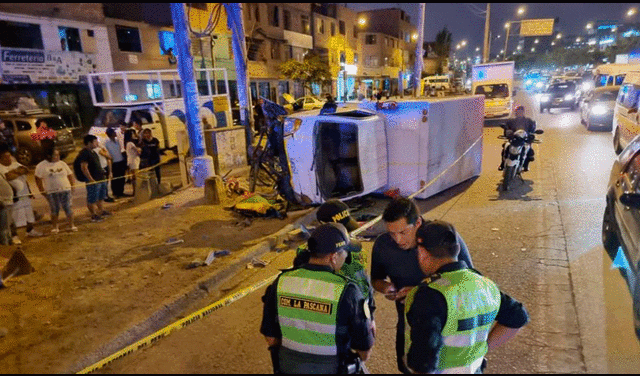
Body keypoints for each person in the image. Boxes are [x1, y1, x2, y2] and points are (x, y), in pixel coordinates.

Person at [404, 220, 529, 373]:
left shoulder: (429, 295)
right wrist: (482, 350)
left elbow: (424, 361)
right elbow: (518, 317)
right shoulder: (484, 284)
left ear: (423, 253)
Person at [370, 196, 474, 374]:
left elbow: (467, 280)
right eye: (392, 233)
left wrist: (419, 292)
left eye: (403, 232)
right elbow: (376, 279)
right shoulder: (383, 245)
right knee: (409, 366)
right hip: (409, 323)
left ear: (418, 222)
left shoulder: (442, 237)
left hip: (447, 324)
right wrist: (385, 288)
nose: (397, 240)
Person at [261, 223, 375, 374]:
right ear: (333, 257)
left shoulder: (281, 282)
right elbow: (364, 350)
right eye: (345, 253)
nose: (346, 256)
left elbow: (270, 336)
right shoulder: (347, 291)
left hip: (289, 367)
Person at [293, 199, 377, 336]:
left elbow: (364, 289)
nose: (347, 233)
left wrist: (369, 317)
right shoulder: (304, 256)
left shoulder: (354, 252)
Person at [0, 145, 43, 244]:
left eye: (9, 156)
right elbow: (8, 177)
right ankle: (14, 236)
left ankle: (30, 230)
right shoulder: (1, 168)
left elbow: (25, 170)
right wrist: (17, 172)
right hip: (13, 198)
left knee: (28, 213)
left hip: (24, 194)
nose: (9, 158)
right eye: (6, 157)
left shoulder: (15, 164)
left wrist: (15, 172)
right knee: (14, 218)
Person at [35, 148, 76, 233]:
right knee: (54, 209)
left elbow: (70, 174)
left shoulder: (62, 164)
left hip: (65, 189)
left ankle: (71, 225)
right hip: (51, 191)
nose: (58, 157)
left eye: (58, 155)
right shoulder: (41, 165)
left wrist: (72, 186)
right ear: (49, 156)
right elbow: (38, 178)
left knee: (68, 207)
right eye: (55, 155)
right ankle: (55, 227)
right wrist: (42, 190)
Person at [73, 135, 111, 223]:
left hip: (99, 177)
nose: (97, 143)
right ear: (89, 143)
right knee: (92, 198)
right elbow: (84, 167)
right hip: (93, 180)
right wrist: (90, 179)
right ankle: (93, 215)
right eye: (95, 141)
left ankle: (101, 211)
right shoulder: (84, 153)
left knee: (100, 196)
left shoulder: (93, 152)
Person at [499, 105, 536, 172]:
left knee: (529, 151)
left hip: (524, 140)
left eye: (521, 111)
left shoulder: (528, 121)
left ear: (523, 112)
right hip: (514, 139)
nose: (519, 113)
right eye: (518, 112)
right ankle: (502, 164)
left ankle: (525, 165)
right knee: (505, 147)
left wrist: (531, 135)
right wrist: (507, 132)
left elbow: (532, 130)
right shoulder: (511, 121)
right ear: (516, 112)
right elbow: (506, 128)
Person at [104, 127, 128, 199]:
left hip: (121, 161)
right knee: (115, 178)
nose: (115, 134)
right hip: (114, 163)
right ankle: (115, 193)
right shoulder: (107, 143)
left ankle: (121, 192)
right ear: (110, 134)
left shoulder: (118, 141)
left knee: (122, 177)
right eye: (113, 133)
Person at [124, 129, 141, 195]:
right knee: (135, 177)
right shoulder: (130, 143)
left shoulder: (129, 143)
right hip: (133, 161)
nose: (134, 135)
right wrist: (139, 149)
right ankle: (136, 191)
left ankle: (135, 191)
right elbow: (138, 151)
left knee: (134, 177)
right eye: (133, 133)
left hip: (132, 161)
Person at [0, 170, 13, 245]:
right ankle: (5, 246)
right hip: (2, 204)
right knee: (3, 229)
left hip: (6, 202)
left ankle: (9, 244)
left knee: (7, 227)